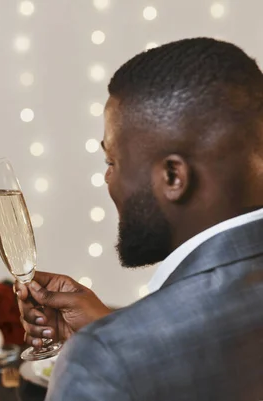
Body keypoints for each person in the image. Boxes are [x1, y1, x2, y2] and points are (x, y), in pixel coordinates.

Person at [17, 37, 263, 401]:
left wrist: (110, 348)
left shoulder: (100, 360)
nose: (107, 180)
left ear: (173, 178)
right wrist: (116, 331)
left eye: (111, 162)